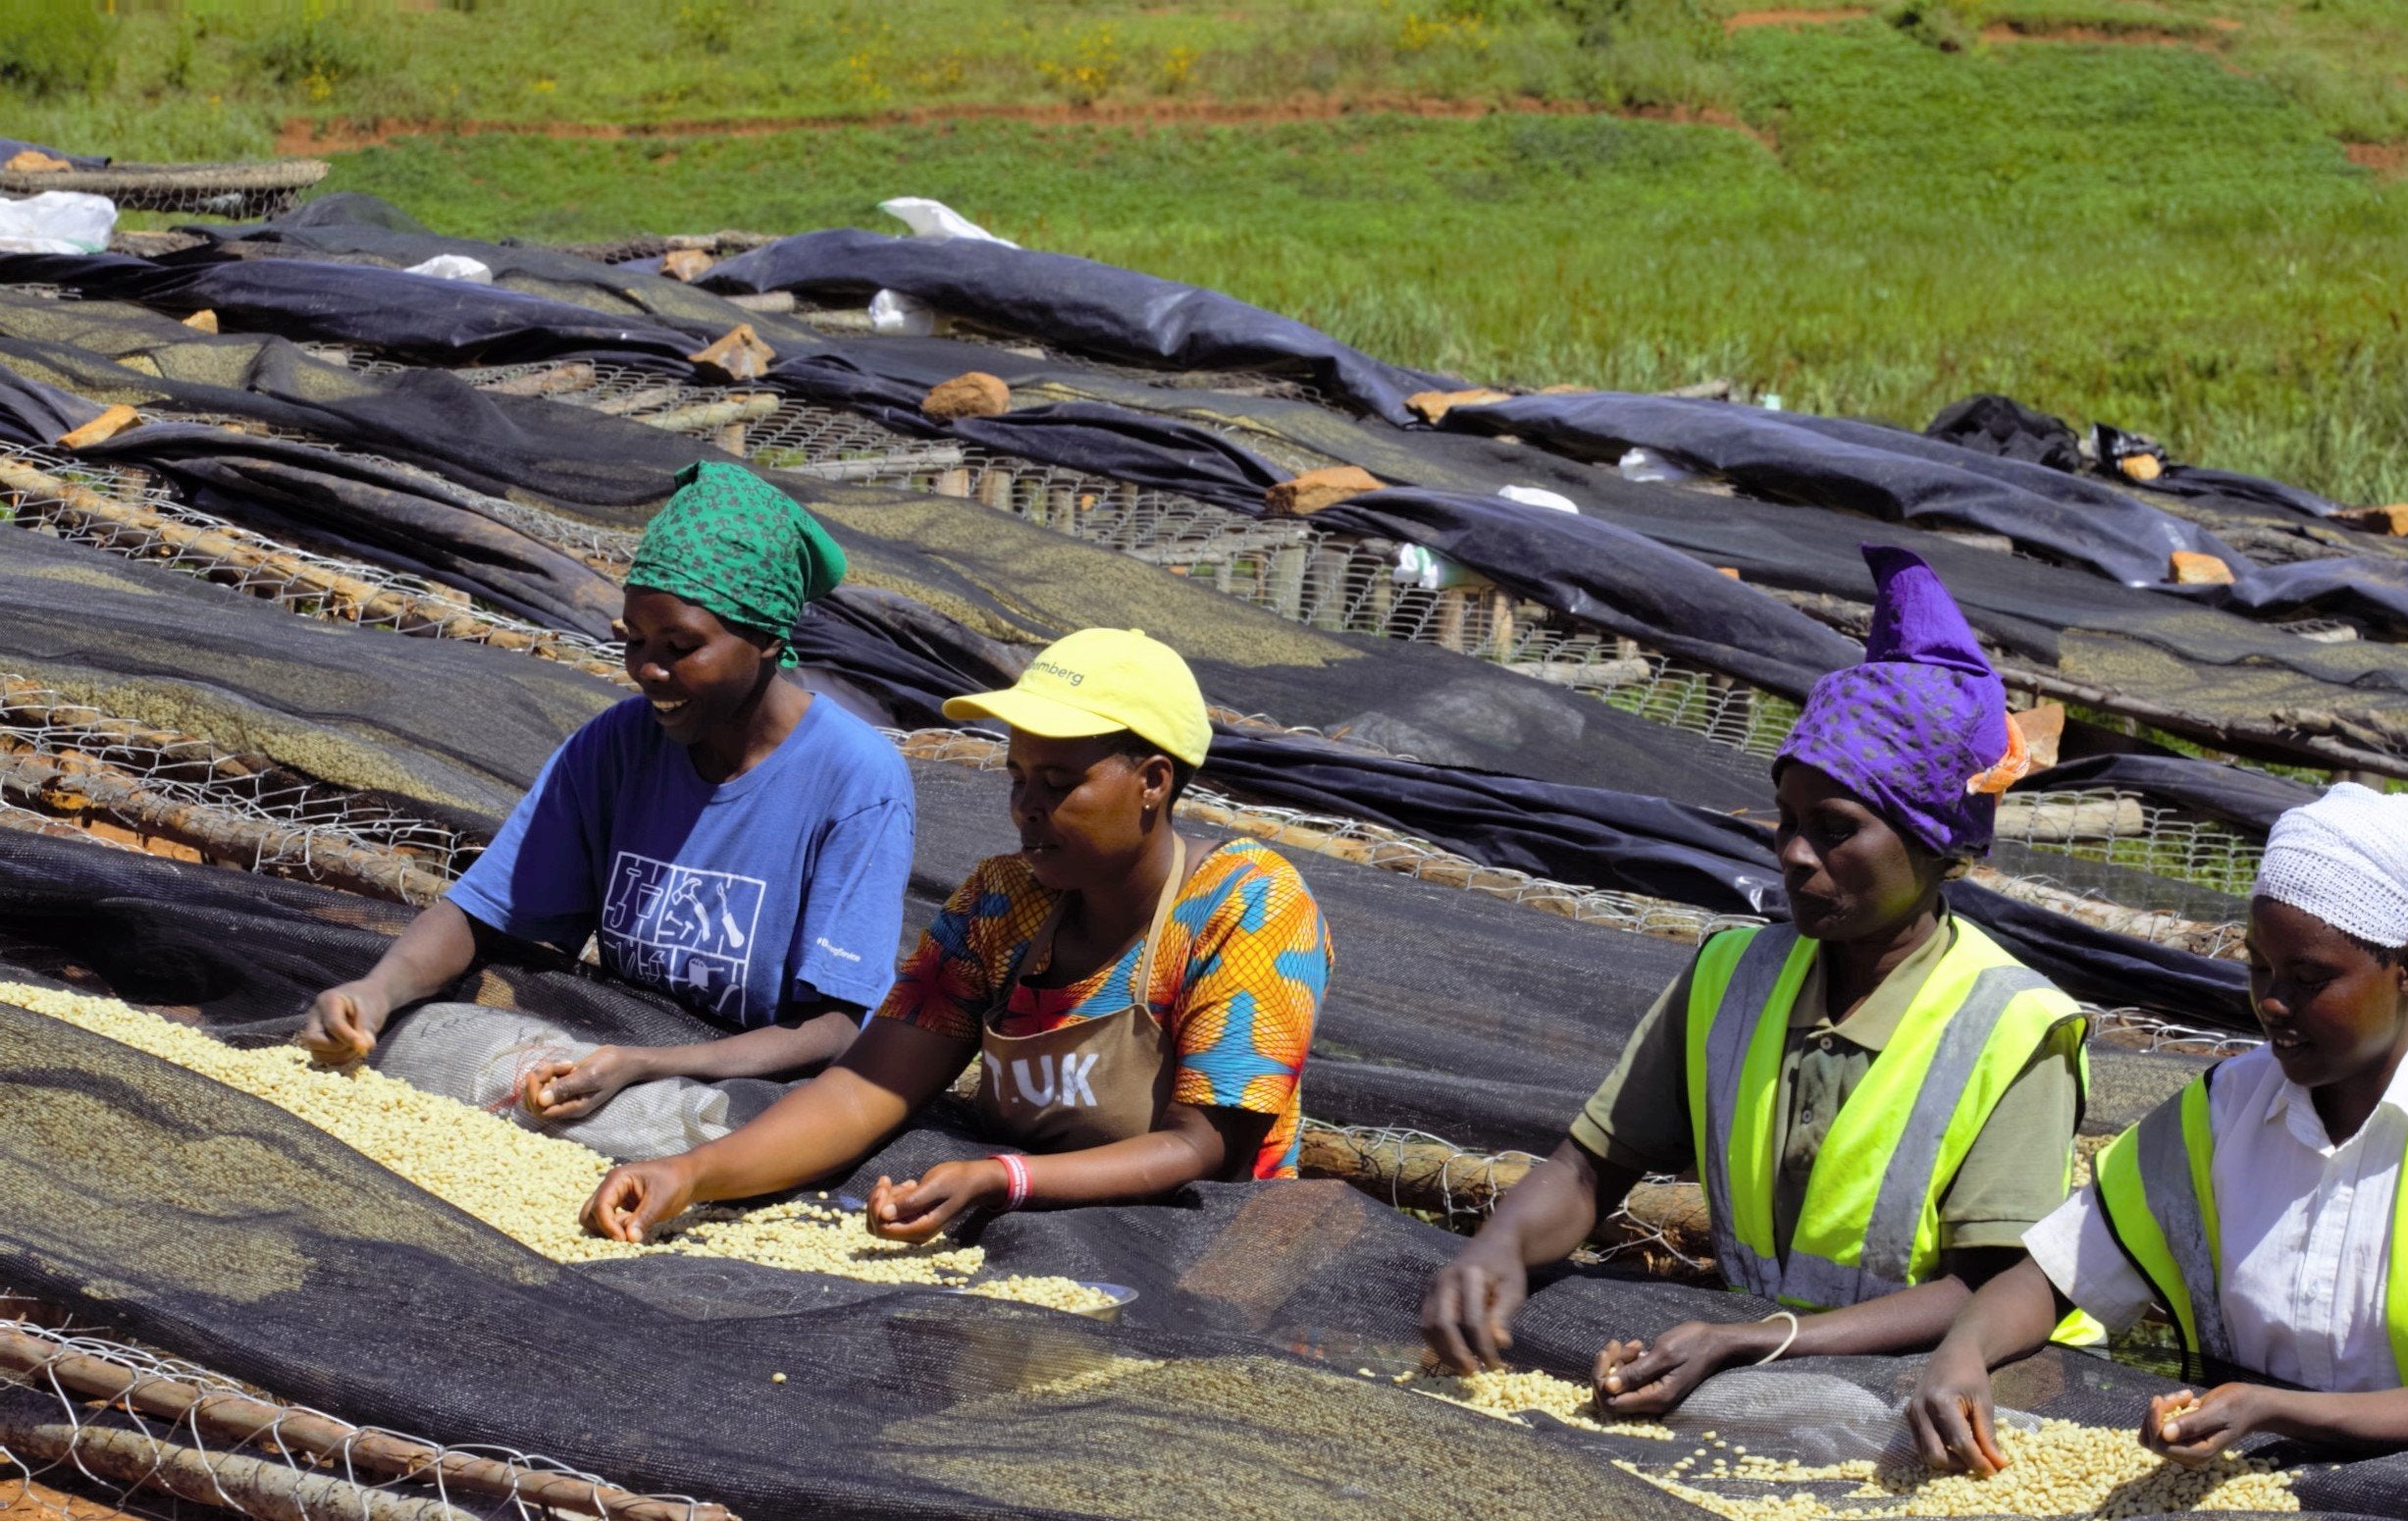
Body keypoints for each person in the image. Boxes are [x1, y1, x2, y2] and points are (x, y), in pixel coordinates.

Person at [1421, 548, 2090, 1413]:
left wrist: (1758, 1338)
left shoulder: (2013, 1026)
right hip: (1763, 1372)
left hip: (1953, 1393)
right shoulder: (1730, 976)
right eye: (1786, 821)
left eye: (1835, 828)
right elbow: (1588, 1170)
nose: (1794, 854)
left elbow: (1991, 1290)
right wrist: (1496, 1251)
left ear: (1934, 844)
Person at [1907, 783, 2408, 1477]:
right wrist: (1962, 1352)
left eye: (2307, 976)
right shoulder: (2222, 1109)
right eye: (2258, 965)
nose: (2270, 1001)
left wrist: (2270, 1410)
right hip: (2241, 1512)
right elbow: (2050, 1275)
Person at [578, 625, 1332, 1243]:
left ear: (1153, 781)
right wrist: (693, 1175)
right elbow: (866, 1088)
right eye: (1017, 776)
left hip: (1199, 1247)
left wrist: (1003, 1177)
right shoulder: (1001, 905)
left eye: (1059, 784)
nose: (1025, 807)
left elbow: (1202, 1147)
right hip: (1030, 1229)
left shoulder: (1249, 908)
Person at [297, 461, 916, 1120]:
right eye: (635, 641)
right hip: (617, 1050)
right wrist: (378, 990)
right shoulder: (620, 744)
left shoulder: (856, 780)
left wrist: (652, 1065)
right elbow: (480, 913)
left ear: (764, 637)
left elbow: (837, 1026)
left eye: (681, 645)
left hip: (752, 1084)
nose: (648, 670)